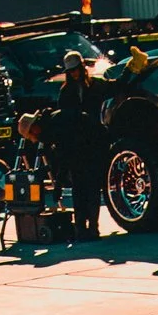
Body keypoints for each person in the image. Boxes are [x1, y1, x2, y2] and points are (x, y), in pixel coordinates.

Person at [46, 51, 108, 240]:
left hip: (94, 141)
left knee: (93, 188)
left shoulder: (96, 85)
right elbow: (64, 120)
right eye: (70, 71)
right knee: (79, 188)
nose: (74, 74)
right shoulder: (66, 91)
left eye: (75, 70)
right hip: (75, 144)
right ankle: (81, 228)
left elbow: (114, 87)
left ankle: (93, 227)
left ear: (82, 68)